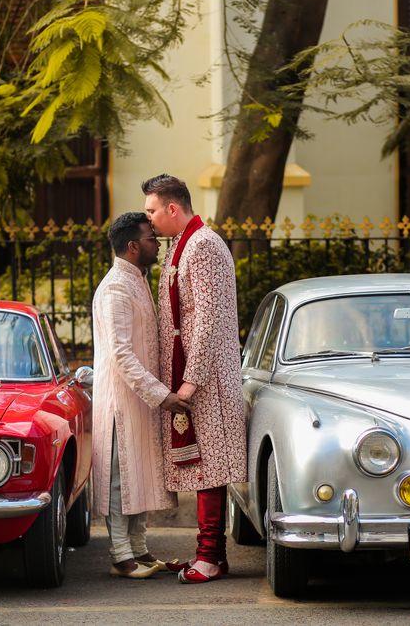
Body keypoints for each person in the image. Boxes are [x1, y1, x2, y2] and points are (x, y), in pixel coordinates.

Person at [142, 173, 248, 584]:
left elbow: (206, 320)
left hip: (205, 379)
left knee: (210, 468)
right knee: (201, 466)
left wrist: (191, 380)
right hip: (190, 376)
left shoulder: (203, 246)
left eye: (152, 210)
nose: (149, 220)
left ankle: (211, 557)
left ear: (172, 208)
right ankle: (208, 554)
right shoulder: (180, 247)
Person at [91, 211, 192, 579]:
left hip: (142, 398)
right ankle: (120, 555)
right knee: (121, 476)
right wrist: (160, 394)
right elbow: (120, 353)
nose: (157, 243)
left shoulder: (136, 280)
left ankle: (139, 549)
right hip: (122, 400)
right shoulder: (116, 287)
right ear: (133, 246)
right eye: (151, 238)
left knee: (139, 473)